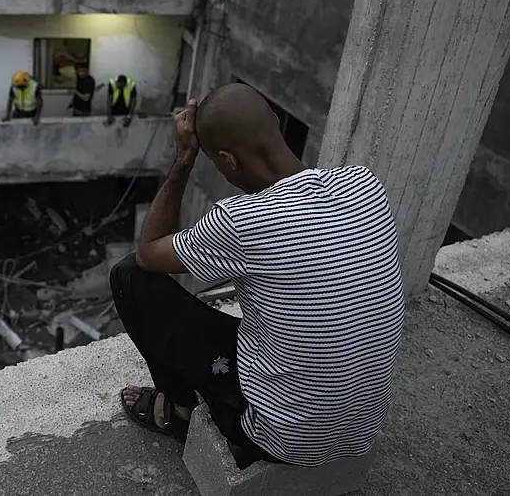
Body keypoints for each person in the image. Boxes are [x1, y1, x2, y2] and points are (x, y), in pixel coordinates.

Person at [112, 82, 405, 469]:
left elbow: (148, 253)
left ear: (228, 161)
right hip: (360, 430)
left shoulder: (244, 220)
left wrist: (184, 158)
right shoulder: (366, 184)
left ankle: (179, 412)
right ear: (276, 126)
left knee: (129, 276)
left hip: (286, 439)